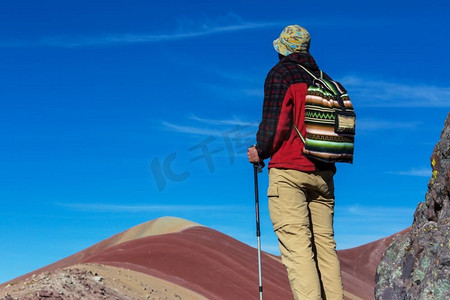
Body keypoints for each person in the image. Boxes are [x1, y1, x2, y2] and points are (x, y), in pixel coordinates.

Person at [247, 25, 344, 300]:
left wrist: (260, 151)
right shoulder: (327, 81)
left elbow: (275, 124)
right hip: (324, 176)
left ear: (284, 49)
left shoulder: (281, 74)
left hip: (289, 173)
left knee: (298, 249)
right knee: (325, 248)